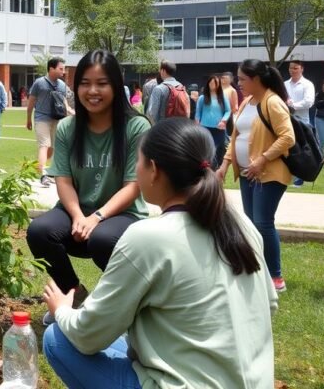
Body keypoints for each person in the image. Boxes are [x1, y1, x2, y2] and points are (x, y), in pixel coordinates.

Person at [42, 118, 277, 389]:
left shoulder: (148, 237)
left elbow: (86, 336)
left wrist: (61, 309)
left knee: (57, 338)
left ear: (153, 170)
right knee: (121, 341)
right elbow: (268, 306)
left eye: (137, 163)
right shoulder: (241, 224)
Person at [26, 50, 150, 325]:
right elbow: (64, 181)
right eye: (85, 83)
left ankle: (123, 308)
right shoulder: (69, 127)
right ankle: (76, 297)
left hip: (122, 215)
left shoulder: (135, 127)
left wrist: (98, 217)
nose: (93, 91)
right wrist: (80, 216)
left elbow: (134, 185)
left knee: (103, 238)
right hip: (78, 213)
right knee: (40, 231)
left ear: (116, 86)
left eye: (102, 83)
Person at [217, 59, 295, 293]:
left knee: (263, 223)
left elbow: (287, 137)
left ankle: (275, 277)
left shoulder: (273, 102)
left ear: (256, 79)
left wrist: (262, 159)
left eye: (242, 79)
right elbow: (235, 136)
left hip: (269, 174)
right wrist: (224, 165)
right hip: (248, 174)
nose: (238, 83)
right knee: (251, 224)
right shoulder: (247, 102)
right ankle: (257, 270)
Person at [26, 57, 67, 187]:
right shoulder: (39, 83)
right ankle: (43, 175)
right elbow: (31, 101)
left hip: (57, 119)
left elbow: (65, 103)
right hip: (41, 118)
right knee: (44, 145)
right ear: (51, 68)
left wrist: (71, 112)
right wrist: (28, 119)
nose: (63, 71)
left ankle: (45, 169)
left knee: (52, 148)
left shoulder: (62, 85)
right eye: (61, 68)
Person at [285, 60, 315, 186]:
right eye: (291, 68)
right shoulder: (285, 84)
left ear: (302, 69)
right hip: (286, 119)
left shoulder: (307, 84)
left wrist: (293, 106)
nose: (292, 70)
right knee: (288, 148)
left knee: (301, 150)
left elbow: (309, 102)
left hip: (301, 120)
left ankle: (300, 178)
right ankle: (288, 176)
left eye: (295, 68)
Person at [195, 75, 231, 168]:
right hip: (205, 128)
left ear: (219, 85)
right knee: (209, 149)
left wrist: (223, 121)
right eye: (211, 83)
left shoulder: (223, 97)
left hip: (219, 129)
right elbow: (198, 113)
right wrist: (197, 123)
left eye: (215, 83)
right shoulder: (202, 98)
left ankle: (218, 167)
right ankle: (210, 168)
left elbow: (228, 111)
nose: (213, 85)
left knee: (219, 150)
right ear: (208, 84)